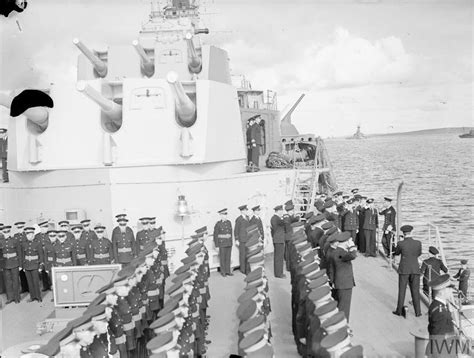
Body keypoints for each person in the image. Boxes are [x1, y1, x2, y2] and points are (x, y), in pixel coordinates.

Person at [393, 225, 422, 318]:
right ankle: (418, 312)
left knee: (402, 290)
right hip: (415, 269)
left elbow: (396, 253)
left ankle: (399, 311)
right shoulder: (418, 243)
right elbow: (418, 254)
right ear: (411, 233)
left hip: (404, 269)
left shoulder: (401, 243)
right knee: (415, 291)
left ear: (403, 233)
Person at [426, 274, 457, 358]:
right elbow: (437, 338)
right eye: (449, 289)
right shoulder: (441, 312)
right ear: (442, 291)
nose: (451, 292)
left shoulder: (436, 305)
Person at [21, 227, 44, 302]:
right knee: (30, 282)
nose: (29, 236)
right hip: (27, 265)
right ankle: (32, 296)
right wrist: (23, 266)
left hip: (35, 265)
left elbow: (41, 255)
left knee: (36, 282)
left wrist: (40, 266)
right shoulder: (24, 244)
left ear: (33, 235)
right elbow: (23, 255)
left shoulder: (38, 243)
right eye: (28, 235)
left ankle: (38, 297)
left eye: (31, 234)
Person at [0, 225, 21, 303]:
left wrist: (20, 265)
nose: (6, 233)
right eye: (4, 232)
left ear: (10, 232)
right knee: (8, 281)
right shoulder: (1, 241)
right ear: (2, 232)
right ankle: (10, 297)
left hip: (14, 263)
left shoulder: (14, 240)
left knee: (15, 281)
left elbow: (19, 252)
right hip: (5, 264)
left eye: (8, 231)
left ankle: (17, 298)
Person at [213, 209, 233, 277]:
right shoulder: (218, 224)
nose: (225, 216)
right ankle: (223, 272)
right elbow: (215, 235)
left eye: (226, 214)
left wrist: (231, 242)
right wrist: (217, 246)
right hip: (222, 243)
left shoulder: (229, 222)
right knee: (222, 258)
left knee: (228, 257)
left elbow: (230, 233)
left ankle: (228, 271)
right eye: (223, 215)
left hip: (228, 243)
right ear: (220, 215)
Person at [270, 205, 286, 278]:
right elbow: (277, 228)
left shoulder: (277, 218)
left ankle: (280, 272)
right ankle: (278, 274)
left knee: (280, 257)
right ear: (278, 211)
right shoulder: (275, 218)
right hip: (278, 240)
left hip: (279, 239)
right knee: (278, 257)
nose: (282, 212)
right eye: (281, 211)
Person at [234, 205, 250, 274]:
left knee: (248, 254)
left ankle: (247, 268)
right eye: (245, 210)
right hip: (242, 240)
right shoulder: (239, 219)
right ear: (241, 211)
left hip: (248, 239)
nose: (246, 211)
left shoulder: (248, 218)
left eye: (246, 210)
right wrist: (236, 239)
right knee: (242, 255)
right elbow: (236, 230)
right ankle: (243, 269)